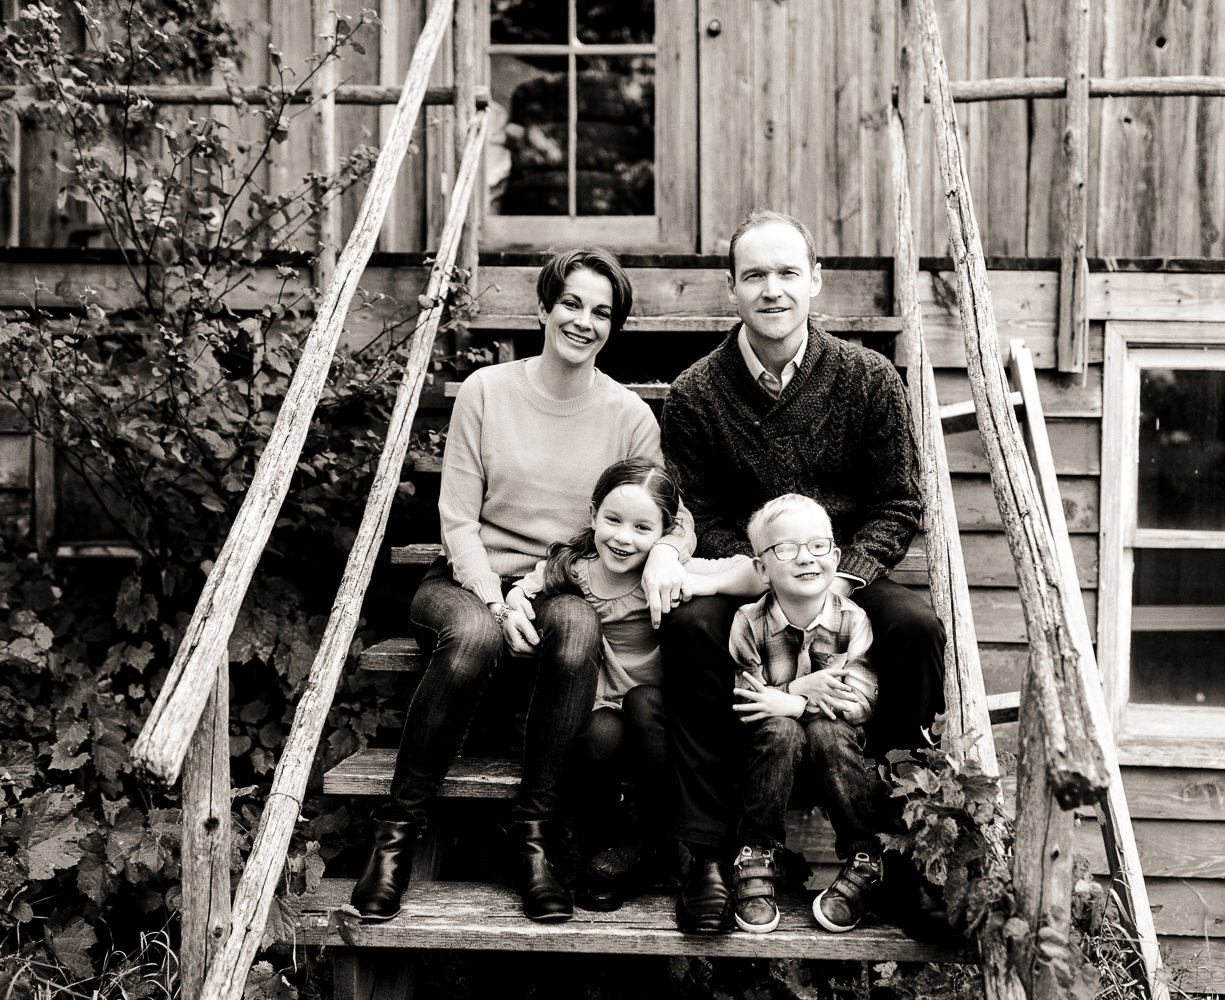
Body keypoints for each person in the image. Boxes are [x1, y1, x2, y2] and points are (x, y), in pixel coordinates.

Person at [352, 248, 694, 924]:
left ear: (613, 328)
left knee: (578, 627)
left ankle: (530, 836)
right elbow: (456, 518)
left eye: (601, 312)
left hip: (559, 584)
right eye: (571, 303)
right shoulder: (487, 390)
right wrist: (491, 597)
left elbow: (675, 517)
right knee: (475, 637)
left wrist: (669, 555)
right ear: (544, 307)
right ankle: (396, 835)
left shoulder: (629, 417)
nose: (583, 321)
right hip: (464, 578)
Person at [660, 210, 946, 934]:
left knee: (915, 628)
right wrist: (763, 574)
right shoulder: (696, 392)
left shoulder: (869, 379)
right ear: (732, 290)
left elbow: (899, 501)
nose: (773, 289)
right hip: (752, 571)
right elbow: (700, 509)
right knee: (692, 626)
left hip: (841, 568)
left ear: (815, 281)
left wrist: (835, 581)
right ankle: (704, 851)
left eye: (788, 272)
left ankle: (897, 850)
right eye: (755, 274)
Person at [511, 458, 759, 912]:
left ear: (664, 534)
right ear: (592, 516)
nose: (624, 538)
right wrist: (512, 606)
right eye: (613, 520)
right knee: (603, 732)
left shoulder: (663, 575)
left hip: (656, 713)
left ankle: (655, 838)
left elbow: (755, 573)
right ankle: (593, 840)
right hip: (600, 704)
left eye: (643, 528)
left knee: (645, 705)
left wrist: (693, 580)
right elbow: (523, 590)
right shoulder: (573, 568)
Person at [727, 494, 889, 934]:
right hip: (769, 747)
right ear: (762, 569)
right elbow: (750, 700)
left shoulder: (853, 620)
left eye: (818, 546)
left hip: (833, 744)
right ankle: (756, 851)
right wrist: (801, 692)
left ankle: (865, 855)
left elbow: (856, 703)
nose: (806, 559)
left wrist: (794, 701)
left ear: (835, 557)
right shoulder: (747, 622)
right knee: (780, 728)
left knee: (828, 732)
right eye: (785, 549)